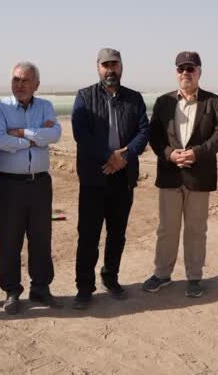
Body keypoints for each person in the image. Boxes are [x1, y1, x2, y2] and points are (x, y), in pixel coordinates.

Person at [142, 51, 218, 298]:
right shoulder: (163, 102)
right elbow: (155, 135)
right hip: (170, 175)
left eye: (190, 69)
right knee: (167, 229)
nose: (185, 73)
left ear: (199, 72)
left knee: (196, 230)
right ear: (176, 72)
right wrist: (169, 154)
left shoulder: (214, 102)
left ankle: (194, 277)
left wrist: (197, 153)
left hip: (199, 176)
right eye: (181, 69)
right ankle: (162, 274)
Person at [71, 48, 150, 309]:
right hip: (94, 178)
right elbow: (81, 133)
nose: (110, 69)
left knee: (117, 233)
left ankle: (110, 277)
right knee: (88, 235)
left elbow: (143, 131)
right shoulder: (84, 96)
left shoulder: (134, 98)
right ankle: (84, 287)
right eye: (105, 65)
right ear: (98, 67)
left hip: (123, 178)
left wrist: (124, 157)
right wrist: (109, 156)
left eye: (114, 64)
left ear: (121, 66)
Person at [0, 62, 63, 314]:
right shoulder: (0, 106)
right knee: (9, 239)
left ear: (36, 85)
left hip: (40, 183)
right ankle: (11, 291)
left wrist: (21, 132)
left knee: (41, 238)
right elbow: (0, 139)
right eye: (16, 79)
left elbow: (55, 134)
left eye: (25, 80)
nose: (19, 85)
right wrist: (34, 139)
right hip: (10, 184)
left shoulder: (45, 106)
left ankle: (41, 288)